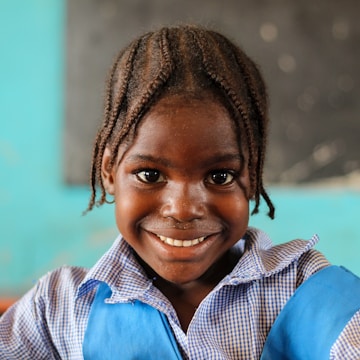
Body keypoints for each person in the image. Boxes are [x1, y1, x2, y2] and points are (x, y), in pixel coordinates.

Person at [0, 24, 359, 360]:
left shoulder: (305, 288)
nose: (183, 209)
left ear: (252, 177)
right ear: (109, 171)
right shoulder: (59, 309)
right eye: (150, 174)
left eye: (219, 176)